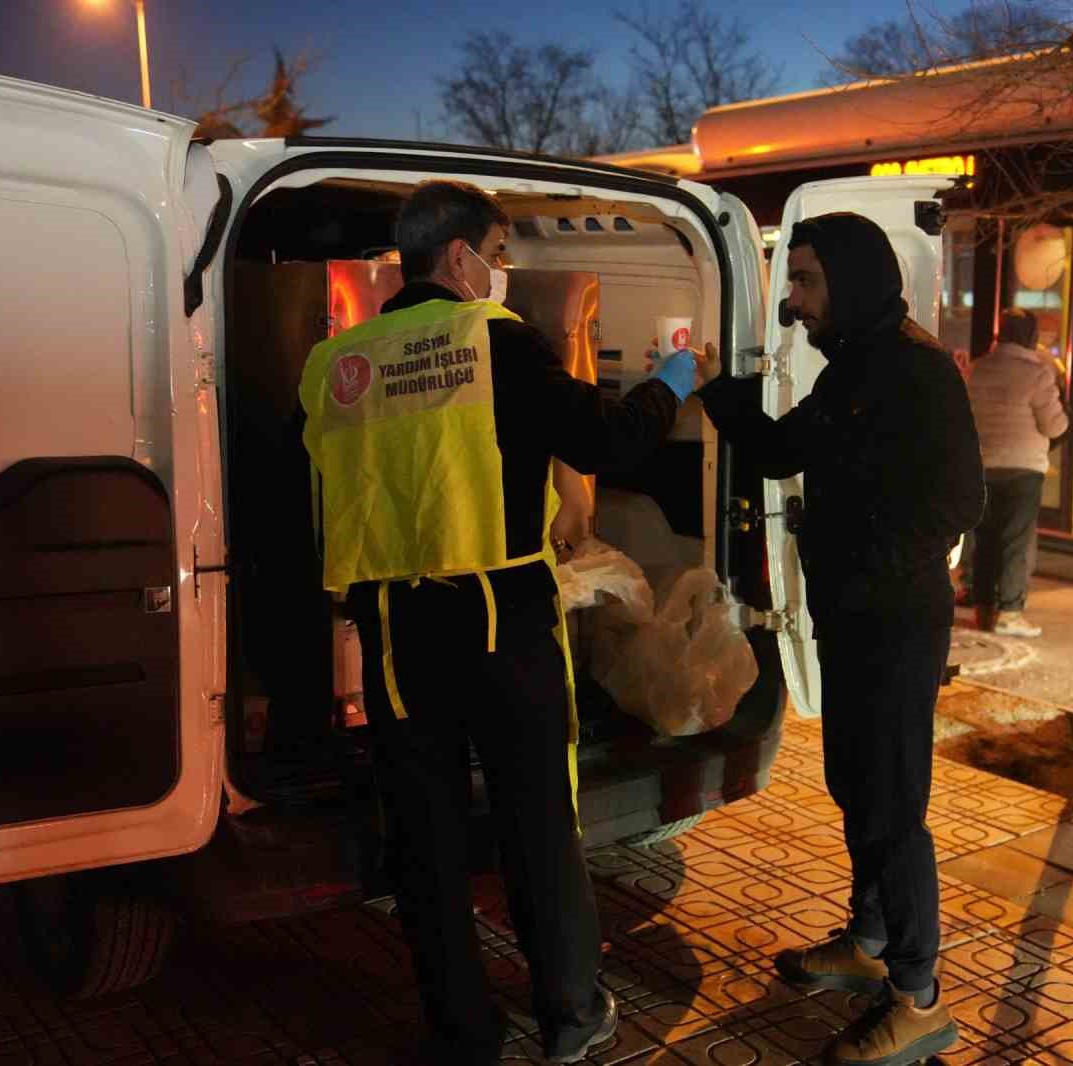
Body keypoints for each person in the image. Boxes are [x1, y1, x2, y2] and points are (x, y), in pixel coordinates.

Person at [298, 180, 712, 1065]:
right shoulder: (494, 340)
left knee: (425, 836)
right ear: (459, 257)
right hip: (501, 617)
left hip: (393, 630)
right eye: (497, 253)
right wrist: (668, 384)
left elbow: (328, 485)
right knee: (537, 821)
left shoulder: (337, 363)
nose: (502, 271)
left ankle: (463, 1034)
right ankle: (572, 1013)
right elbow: (603, 440)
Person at [697, 213, 984, 1066]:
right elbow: (783, 451)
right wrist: (718, 392)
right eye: (794, 280)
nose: (795, 300)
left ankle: (918, 998)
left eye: (808, 280)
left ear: (852, 281)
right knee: (853, 783)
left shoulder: (918, 370)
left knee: (893, 805)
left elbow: (960, 502)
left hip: (894, 619)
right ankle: (869, 940)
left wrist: (869, 558)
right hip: (851, 614)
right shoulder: (851, 366)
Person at [966, 308, 1069, 638]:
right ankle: (1010, 612)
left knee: (984, 539)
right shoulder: (1037, 374)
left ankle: (983, 609)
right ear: (1031, 337)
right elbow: (1055, 426)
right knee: (1015, 541)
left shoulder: (977, 369)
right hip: (1023, 469)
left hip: (982, 465)